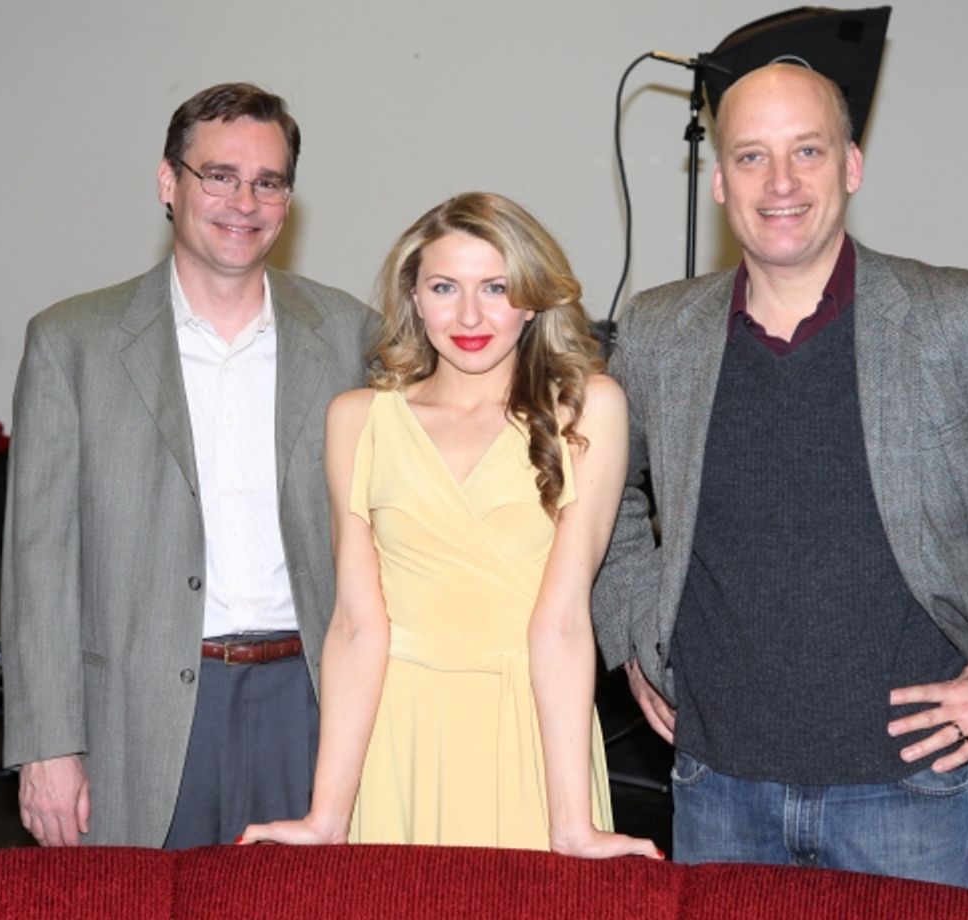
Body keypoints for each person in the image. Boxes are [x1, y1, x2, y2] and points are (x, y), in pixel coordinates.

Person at [592, 62, 968, 886]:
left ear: (851, 166)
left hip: (906, 797)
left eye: (808, 151)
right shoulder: (657, 332)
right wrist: (633, 632)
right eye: (751, 156)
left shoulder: (954, 320)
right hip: (716, 786)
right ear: (719, 181)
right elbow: (600, 490)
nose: (780, 182)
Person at [2, 82, 375, 848]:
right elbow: (40, 560)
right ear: (169, 182)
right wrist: (47, 743)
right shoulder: (73, 343)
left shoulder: (352, 337)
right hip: (137, 718)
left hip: (310, 707)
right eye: (221, 176)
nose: (245, 202)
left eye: (268, 182)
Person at [241, 192, 658, 858]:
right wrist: (326, 817)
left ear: (531, 300)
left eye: (495, 287)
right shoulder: (357, 419)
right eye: (444, 287)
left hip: (530, 732)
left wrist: (572, 826)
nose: (469, 316)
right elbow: (355, 626)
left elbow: (561, 623)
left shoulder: (588, 410)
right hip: (397, 733)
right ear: (413, 296)